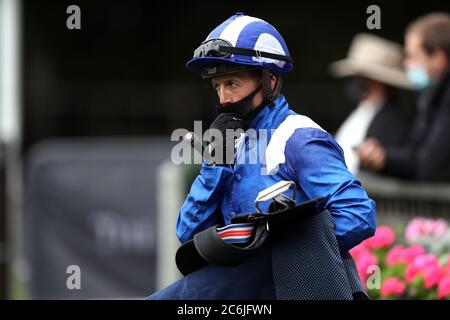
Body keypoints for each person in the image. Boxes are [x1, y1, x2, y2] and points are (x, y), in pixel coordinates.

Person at [151, 13, 375, 299]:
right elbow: (189, 234)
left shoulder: (300, 136)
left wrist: (281, 261)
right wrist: (215, 164)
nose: (223, 98)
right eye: (217, 86)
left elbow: (358, 214)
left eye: (232, 83)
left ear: (269, 81)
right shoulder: (233, 141)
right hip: (237, 287)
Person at [358, 13, 450, 181]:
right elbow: (416, 155)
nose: (406, 64)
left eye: (412, 56)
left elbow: (429, 166)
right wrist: (383, 157)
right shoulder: (430, 98)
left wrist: (387, 158)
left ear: (438, 58)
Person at [330, 34, 414, 175]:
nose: (354, 80)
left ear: (376, 80)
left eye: (360, 76)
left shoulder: (392, 120)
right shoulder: (363, 111)